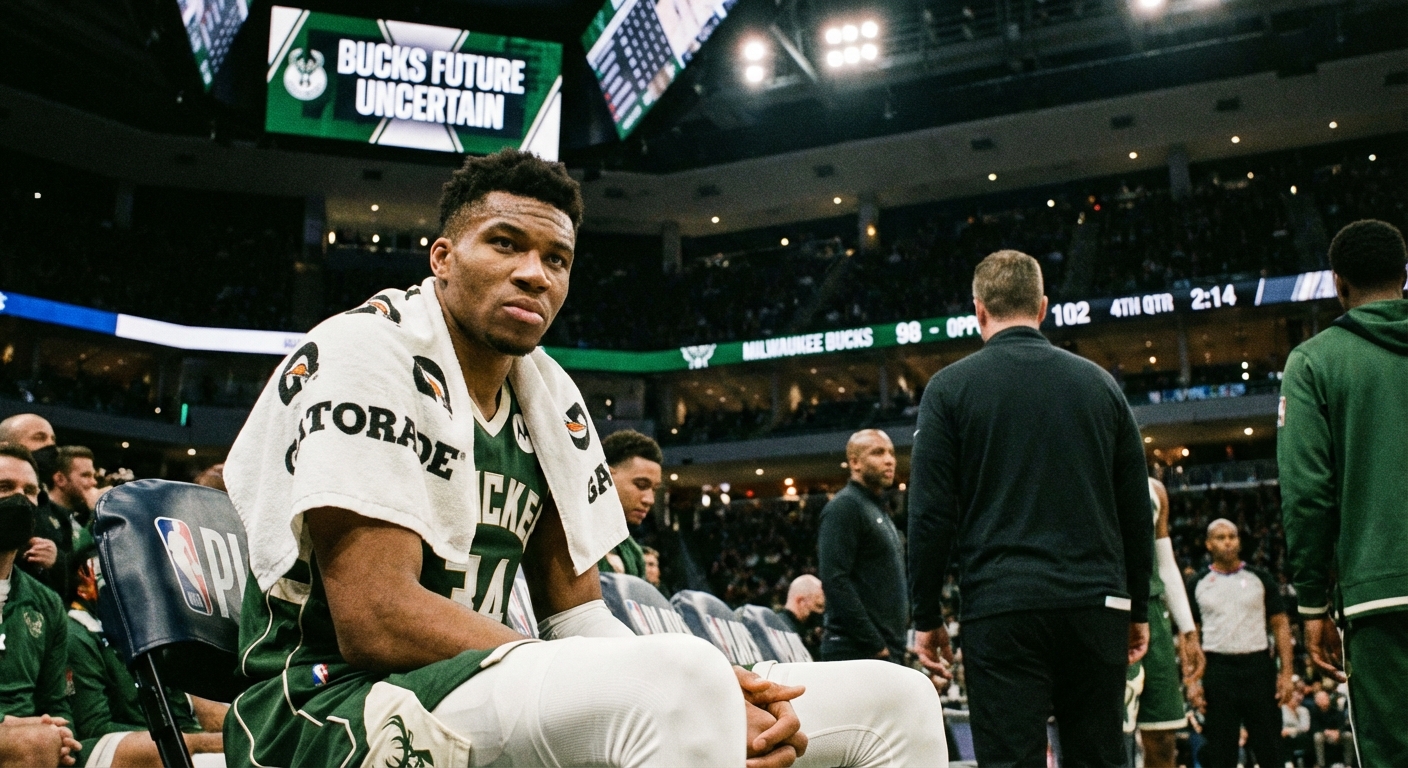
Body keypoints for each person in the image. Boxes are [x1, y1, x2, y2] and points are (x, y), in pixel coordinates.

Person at [223, 149, 945, 768]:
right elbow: (376, 619)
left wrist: (725, 683)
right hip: (327, 699)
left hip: (481, 676)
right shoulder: (367, 353)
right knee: (676, 683)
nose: (534, 274)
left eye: (556, 259)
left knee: (898, 699)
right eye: (505, 244)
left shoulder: (545, 395)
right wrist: (668, 678)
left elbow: (577, 619)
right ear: (441, 258)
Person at [908, 250, 1153, 766]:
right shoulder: (1102, 385)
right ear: (1043, 308)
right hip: (1096, 602)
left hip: (1003, 605)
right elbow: (1136, 509)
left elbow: (931, 514)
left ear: (978, 311)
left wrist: (926, 614)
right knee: (1100, 757)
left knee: (1010, 759)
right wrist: (1137, 605)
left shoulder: (948, 389)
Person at [1278, 218, 1408, 767]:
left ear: (1338, 284)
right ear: (1404, 276)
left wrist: (1312, 602)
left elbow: (1307, 494)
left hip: (1377, 595)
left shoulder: (1312, 362)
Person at [65, 546, 225, 766]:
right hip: (139, 750)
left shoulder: (141, 626)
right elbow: (95, 729)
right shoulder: (77, 635)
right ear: (83, 588)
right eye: (108, 585)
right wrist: (198, 741)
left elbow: (183, 706)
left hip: (180, 738)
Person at [1186, 519, 1293, 767]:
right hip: (1217, 668)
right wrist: (1191, 681)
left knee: (1270, 747)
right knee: (1221, 751)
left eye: (1232, 536)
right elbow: (1189, 635)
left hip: (1258, 666)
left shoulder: (1261, 578)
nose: (1227, 541)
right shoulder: (1198, 583)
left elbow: (1280, 624)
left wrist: (1287, 673)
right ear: (1208, 544)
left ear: (1239, 541)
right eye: (1221, 537)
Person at [0, 443, 81, 766]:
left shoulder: (46, 602)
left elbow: (55, 701)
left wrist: (64, 737)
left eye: (30, 490)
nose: (20, 499)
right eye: (5, 487)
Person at [1127, 476, 1203, 767]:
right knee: (1111, 738)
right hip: (1108, 608)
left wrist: (1188, 629)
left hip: (1153, 612)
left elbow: (1166, 563)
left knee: (1162, 737)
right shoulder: (1082, 472)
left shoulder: (1154, 489)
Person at [817, 429, 907, 662]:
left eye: (891, 453)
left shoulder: (876, 509)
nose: (889, 460)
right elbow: (835, 580)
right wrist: (875, 645)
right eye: (878, 452)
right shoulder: (845, 507)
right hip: (857, 652)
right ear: (855, 462)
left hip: (882, 650)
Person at [0, 416, 69, 597]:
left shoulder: (58, 514)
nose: (51, 446)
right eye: (39, 438)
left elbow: (76, 580)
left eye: (53, 439)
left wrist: (57, 561)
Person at [597, 430, 660, 579]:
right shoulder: (567, 532)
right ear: (606, 475)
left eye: (654, 489)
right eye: (641, 484)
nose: (650, 500)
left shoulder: (634, 553)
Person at [779, 575, 824, 659]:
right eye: (818, 606)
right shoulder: (782, 632)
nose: (820, 612)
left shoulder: (805, 630)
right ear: (800, 600)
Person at [1307, 690, 1350, 768]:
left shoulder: (1336, 711)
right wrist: (1326, 731)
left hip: (1337, 735)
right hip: (1323, 735)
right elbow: (1314, 727)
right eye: (1322, 698)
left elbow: (1343, 725)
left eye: (1326, 697)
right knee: (1317, 737)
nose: (1325, 700)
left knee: (1348, 736)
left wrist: (1338, 732)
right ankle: (1321, 765)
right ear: (1317, 701)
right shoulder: (1313, 712)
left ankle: (1348, 764)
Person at [1282, 687, 1311, 766]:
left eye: (1297, 698)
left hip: (1301, 738)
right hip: (1287, 739)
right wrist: (1293, 730)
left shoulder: (1304, 710)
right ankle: (1288, 762)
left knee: (1306, 738)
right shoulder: (1282, 710)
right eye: (1293, 698)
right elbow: (1282, 730)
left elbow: (1306, 728)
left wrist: (1292, 730)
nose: (1296, 700)